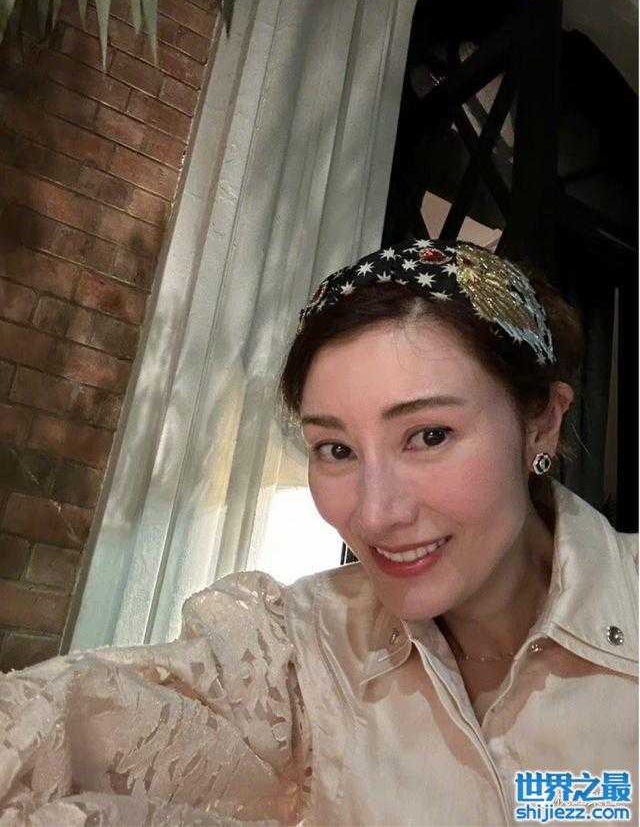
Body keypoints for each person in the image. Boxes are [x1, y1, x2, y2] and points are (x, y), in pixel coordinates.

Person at [0, 239, 636, 826]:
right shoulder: (295, 656)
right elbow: (59, 720)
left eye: (429, 435)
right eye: (336, 449)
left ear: (542, 423)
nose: (375, 515)